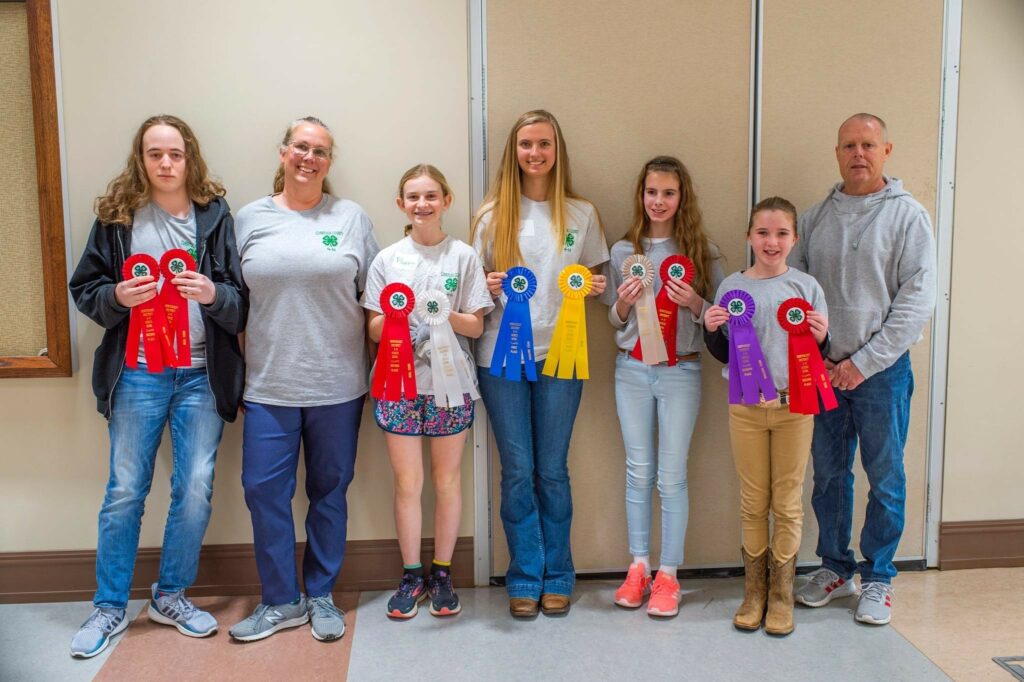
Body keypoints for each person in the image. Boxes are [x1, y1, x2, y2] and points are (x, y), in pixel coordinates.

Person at [68, 115, 246, 657]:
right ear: (140, 159)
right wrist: (117, 297)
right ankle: (109, 607)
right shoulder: (116, 219)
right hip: (137, 374)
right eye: (154, 154)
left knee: (194, 487)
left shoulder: (216, 217)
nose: (166, 163)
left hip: (200, 377)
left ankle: (171, 595)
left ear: (189, 158)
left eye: (175, 153)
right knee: (125, 490)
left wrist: (213, 294)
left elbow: (240, 306)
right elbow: (86, 288)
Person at [229, 116, 379, 642]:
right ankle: (279, 601)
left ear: (329, 162)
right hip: (269, 386)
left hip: (338, 385)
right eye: (300, 147)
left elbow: (376, 302)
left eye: (319, 151)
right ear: (282, 152)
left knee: (329, 491)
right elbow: (233, 305)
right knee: (262, 491)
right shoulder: (249, 219)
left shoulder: (353, 217)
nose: (308, 158)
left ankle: (320, 594)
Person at [790, 113, 936, 626]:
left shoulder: (908, 217)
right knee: (829, 476)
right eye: (849, 144)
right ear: (836, 153)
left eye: (868, 144)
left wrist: (863, 362)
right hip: (823, 372)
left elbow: (917, 300)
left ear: (886, 150)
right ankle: (834, 567)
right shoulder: (813, 218)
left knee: (885, 477)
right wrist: (824, 359)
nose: (858, 153)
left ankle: (878, 578)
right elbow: (797, 292)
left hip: (882, 374)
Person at [471, 109, 608, 618]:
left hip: (562, 356)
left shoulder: (581, 213)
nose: (535, 153)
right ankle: (524, 576)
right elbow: (473, 286)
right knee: (518, 471)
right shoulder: (490, 216)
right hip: (501, 360)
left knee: (552, 471)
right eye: (526, 144)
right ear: (515, 151)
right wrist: (483, 287)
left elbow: (596, 278)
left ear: (557, 151)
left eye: (544, 144)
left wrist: (596, 286)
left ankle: (559, 574)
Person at [362, 165, 492, 619]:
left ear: (446, 200)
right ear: (401, 204)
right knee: (407, 483)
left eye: (431, 196)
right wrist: (400, 315)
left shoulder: (464, 257)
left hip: (450, 385)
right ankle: (411, 573)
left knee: (447, 480)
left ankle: (442, 572)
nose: (423, 204)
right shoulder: (387, 260)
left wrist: (442, 312)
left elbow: (475, 324)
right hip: (398, 386)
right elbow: (374, 330)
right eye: (413, 197)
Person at [602, 156, 724, 617]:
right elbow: (614, 320)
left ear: (681, 197)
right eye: (651, 192)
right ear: (641, 195)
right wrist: (622, 304)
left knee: (671, 477)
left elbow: (716, 319)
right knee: (638, 471)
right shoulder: (622, 252)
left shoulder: (703, 252)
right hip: (631, 371)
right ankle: (638, 567)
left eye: (668, 193)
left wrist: (694, 300)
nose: (658, 201)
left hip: (682, 372)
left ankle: (669, 575)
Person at [704, 196, 829, 635]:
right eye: (763, 233)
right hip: (746, 408)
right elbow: (722, 352)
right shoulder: (732, 288)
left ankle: (780, 596)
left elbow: (817, 355)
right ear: (749, 237)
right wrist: (711, 329)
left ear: (794, 239)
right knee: (753, 501)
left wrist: (822, 339)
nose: (771, 242)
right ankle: (753, 592)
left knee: (788, 502)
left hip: (795, 406)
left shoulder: (807, 288)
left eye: (781, 233)